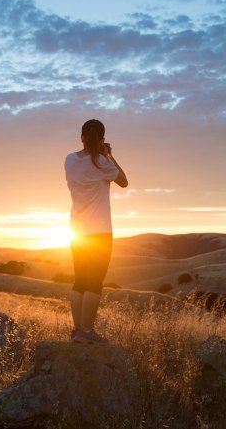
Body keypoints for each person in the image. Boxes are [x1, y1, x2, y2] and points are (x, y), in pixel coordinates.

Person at [64, 119, 128, 345]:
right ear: (101, 139)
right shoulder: (102, 162)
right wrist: (108, 154)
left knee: (79, 280)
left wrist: (99, 151)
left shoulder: (69, 160)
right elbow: (124, 181)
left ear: (81, 137)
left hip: (77, 230)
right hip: (99, 231)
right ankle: (88, 331)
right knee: (95, 281)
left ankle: (78, 331)